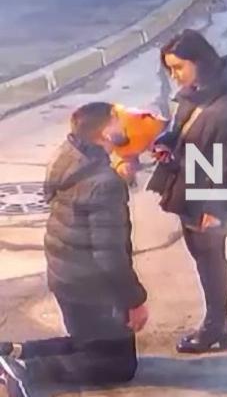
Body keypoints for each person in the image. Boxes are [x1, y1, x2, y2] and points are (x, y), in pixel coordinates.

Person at [0, 103, 148, 397]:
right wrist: (134, 300)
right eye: (118, 120)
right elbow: (109, 255)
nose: (125, 125)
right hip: (91, 285)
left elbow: (89, 195)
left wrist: (119, 169)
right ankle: (25, 370)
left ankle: (13, 352)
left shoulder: (69, 156)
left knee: (89, 343)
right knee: (117, 366)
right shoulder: (104, 183)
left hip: (66, 273)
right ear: (105, 132)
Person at [147, 29, 227, 354]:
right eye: (169, 69)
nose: (174, 75)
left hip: (211, 199)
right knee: (204, 259)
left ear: (200, 62)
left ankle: (215, 327)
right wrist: (166, 143)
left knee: (212, 261)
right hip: (189, 190)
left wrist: (217, 208)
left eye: (178, 67)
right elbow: (183, 132)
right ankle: (218, 322)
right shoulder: (195, 93)